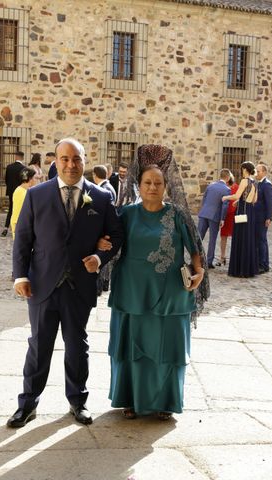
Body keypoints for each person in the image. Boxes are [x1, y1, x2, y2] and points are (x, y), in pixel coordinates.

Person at [8, 138, 124, 428]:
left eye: (77, 159)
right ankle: (27, 404)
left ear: (85, 161)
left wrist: (99, 256)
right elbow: (23, 239)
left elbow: (117, 235)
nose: (71, 165)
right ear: (55, 161)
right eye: (65, 159)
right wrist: (20, 276)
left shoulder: (100, 198)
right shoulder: (37, 195)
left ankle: (78, 401)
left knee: (77, 347)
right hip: (42, 285)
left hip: (79, 286)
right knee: (39, 346)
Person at [104, 145, 208, 421]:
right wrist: (100, 244)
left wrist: (198, 273)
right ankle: (130, 399)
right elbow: (111, 243)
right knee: (131, 347)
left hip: (171, 294)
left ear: (166, 186)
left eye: (158, 183)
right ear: (138, 185)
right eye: (147, 182)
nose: (152, 187)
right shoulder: (126, 215)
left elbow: (195, 249)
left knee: (168, 350)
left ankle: (166, 402)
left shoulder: (178, 215)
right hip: (132, 293)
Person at [224, 161, 258, 278]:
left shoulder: (244, 181)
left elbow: (236, 196)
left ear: (244, 169)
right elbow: (254, 200)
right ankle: (248, 270)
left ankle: (239, 270)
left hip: (242, 212)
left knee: (240, 238)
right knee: (248, 239)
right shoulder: (255, 182)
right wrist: (240, 201)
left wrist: (225, 197)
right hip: (250, 212)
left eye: (242, 169)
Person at [197, 169, 231, 268]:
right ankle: (208, 262)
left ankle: (194, 260)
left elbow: (204, 199)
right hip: (215, 217)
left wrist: (202, 211)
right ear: (228, 178)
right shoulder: (227, 189)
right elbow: (225, 206)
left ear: (220, 176)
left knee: (198, 238)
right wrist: (222, 219)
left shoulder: (210, 185)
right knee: (212, 239)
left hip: (204, 214)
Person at [254, 164, 272, 274]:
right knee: (260, 240)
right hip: (257, 217)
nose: (256, 173)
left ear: (264, 172)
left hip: (262, 218)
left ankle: (263, 264)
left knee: (261, 240)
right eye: (256, 171)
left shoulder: (267, 185)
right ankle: (263, 263)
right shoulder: (259, 184)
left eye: (258, 171)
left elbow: (269, 202)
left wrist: (268, 217)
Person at [10, 167, 38, 239]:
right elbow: (19, 211)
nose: (36, 180)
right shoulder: (21, 192)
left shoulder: (25, 191)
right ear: (29, 179)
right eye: (34, 178)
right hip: (21, 226)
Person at [2, 151, 25, 237]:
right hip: (20, 192)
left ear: (15, 157)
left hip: (11, 191)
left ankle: (5, 228)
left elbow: (6, 180)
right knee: (20, 210)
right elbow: (24, 181)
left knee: (11, 209)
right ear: (22, 158)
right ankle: (18, 229)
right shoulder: (23, 168)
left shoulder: (9, 167)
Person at [219, 173, 238, 265]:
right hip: (225, 215)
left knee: (235, 236)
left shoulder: (236, 187)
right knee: (223, 237)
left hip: (234, 215)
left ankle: (235, 257)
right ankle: (222, 257)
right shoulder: (223, 186)